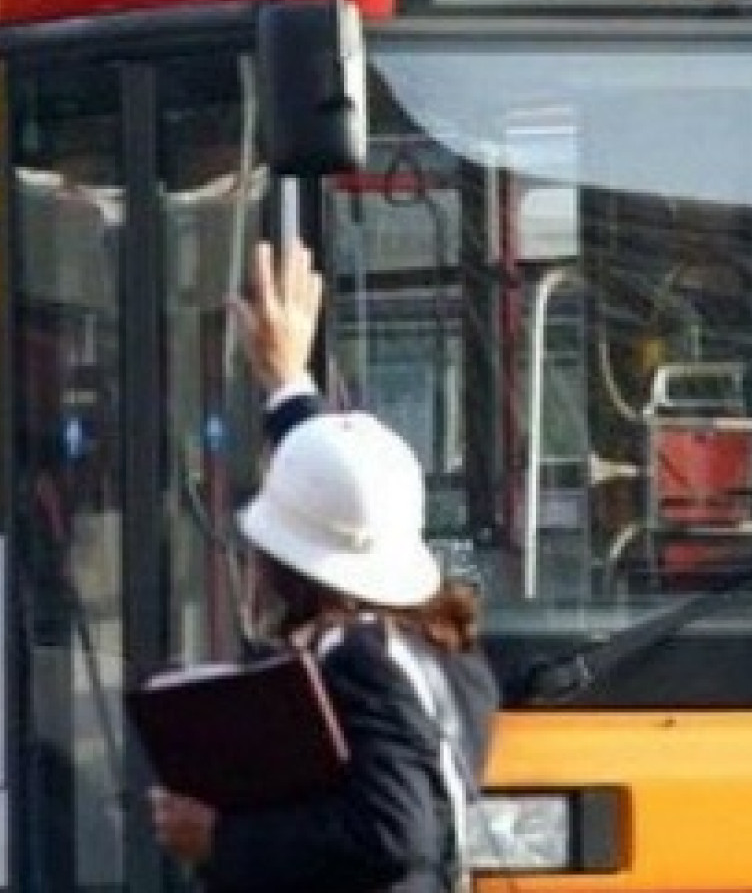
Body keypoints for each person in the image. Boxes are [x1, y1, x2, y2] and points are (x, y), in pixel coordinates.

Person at [150, 240, 499, 893]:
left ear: (288, 565)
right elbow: (346, 498)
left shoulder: (359, 660)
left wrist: (220, 839)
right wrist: (288, 386)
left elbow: (395, 834)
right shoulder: (447, 650)